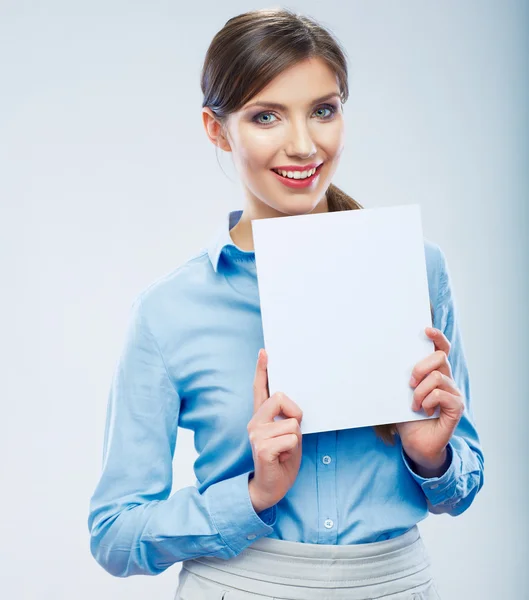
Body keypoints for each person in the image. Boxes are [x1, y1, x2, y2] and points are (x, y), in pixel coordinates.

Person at [87, 8, 484, 599]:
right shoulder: (169, 311)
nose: (303, 145)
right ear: (217, 129)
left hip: (396, 585)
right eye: (266, 116)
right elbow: (114, 534)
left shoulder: (417, 270)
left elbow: (463, 481)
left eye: (323, 110)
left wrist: (432, 457)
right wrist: (251, 495)